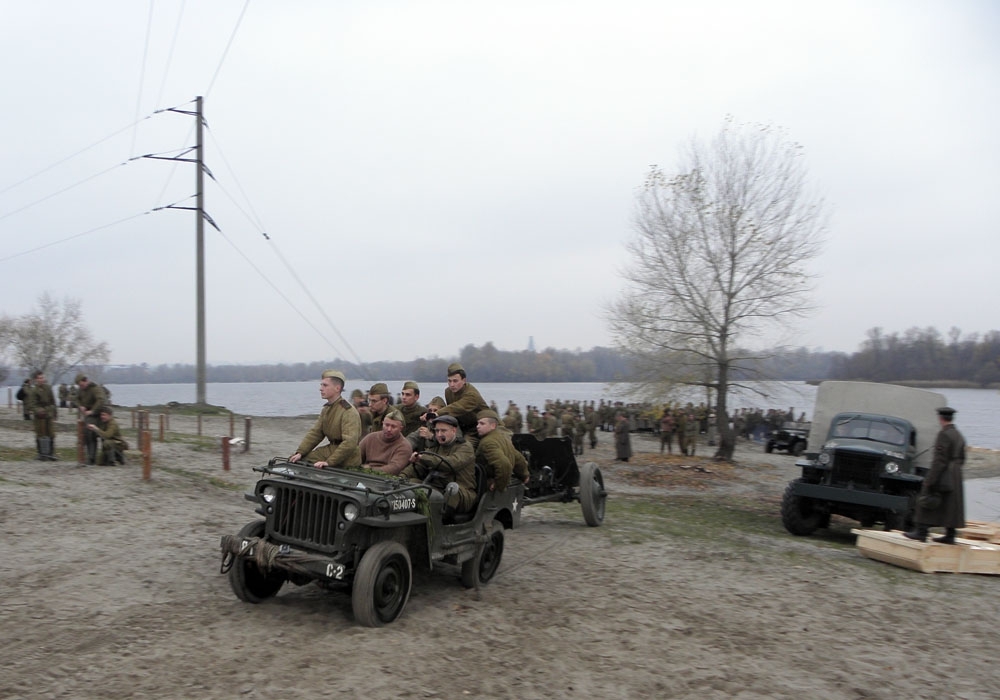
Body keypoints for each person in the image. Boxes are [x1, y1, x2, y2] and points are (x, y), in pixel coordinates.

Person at [905, 407, 967, 544]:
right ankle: (950, 534)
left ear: (940, 418)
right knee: (951, 505)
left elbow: (940, 460)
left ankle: (921, 532)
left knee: (927, 498)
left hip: (944, 473)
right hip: (956, 474)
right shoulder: (958, 435)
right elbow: (962, 458)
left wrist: (930, 479)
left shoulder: (943, 435)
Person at [401, 414, 477, 513]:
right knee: (411, 483)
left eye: (443, 431)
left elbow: (451, 463)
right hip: (437, 487)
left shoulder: (465, 447)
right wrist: (401, 477)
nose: (439, 434)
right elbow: (420, 466)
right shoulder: (435, 446)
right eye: (437, 431)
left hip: (461, 490)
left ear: (454, 431)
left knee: (452, 492)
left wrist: (423, 457)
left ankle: (442, 522)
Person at [289, 370, 362, 469]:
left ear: (337, 388)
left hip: (348, 457)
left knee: (307, 464)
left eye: (325, 385)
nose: (321, 389)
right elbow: (316, 433)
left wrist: (329, 462)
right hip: (332, 449)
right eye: (321, 385)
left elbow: (350, 443)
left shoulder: (348, 411)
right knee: (297, 460)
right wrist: (300, 452)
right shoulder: (327, 409)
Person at [475, 409, 529, 492]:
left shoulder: (487, 442)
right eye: (478, 423)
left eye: (482, 423)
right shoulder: (503, 438)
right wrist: (524, 475)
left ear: (493, 426)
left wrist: (498, 485)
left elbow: (504, 464)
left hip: (488, 484)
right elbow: (518, 458)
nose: (478, 426)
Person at [435, 363, 489, 446]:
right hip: (466, 427)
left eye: (455, 381)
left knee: (465, 446)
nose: (452, 385)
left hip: (484, 426)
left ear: (464, 380)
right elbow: (453, 415)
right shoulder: (448, 392)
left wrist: (437, 413)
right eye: (449, 381)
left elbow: (457, 408)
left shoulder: (471, 394)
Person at [358, 409, 411, 475]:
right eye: (387, 425)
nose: (389, 429)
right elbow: (356, 455)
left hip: (387, 479)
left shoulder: (404, 446)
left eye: (393, 427)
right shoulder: (370, 437)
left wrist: (370, 469)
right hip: (364, 473)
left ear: (400, 429)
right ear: (382, 424)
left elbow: (395, 468)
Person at [76, 373, 108, 465]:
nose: (81, 387)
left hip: (100, 414)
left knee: (104, 436)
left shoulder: (95, 389)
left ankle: (105, 458)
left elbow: (101, 400)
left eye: (82, 384)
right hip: (89, 416)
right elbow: (76, 398)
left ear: (86, 381)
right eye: (79, 385)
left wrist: (93, 410)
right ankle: (91, 458)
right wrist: (80, 406)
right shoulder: (81, 390)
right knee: (88, 435)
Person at [27, 370, 58, 460]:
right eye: (39, 378)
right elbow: (31, 404)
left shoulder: (48, 388)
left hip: (48, 414)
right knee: (40, 434)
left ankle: (51, 453)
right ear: (36, 379)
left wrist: (54, 413)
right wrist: (38, 410)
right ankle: (41, 454)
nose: (41, 380)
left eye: (42, 378)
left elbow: (53, 401)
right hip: (39, 416)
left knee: (51, 434)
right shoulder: (33, 390)